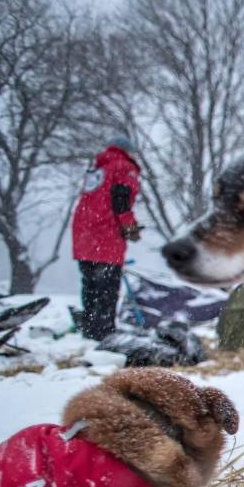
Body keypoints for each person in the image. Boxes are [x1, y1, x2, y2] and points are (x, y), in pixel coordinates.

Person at [71, 135, 142, 340]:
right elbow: (121, 200)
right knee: (107, 287)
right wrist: (130, 226)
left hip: (83, 235)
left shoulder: (97, 170)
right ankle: (104, 332)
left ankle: (91, 328)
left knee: (91, 285)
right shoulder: (123, 166)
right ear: (126, 151)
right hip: (106, 235)